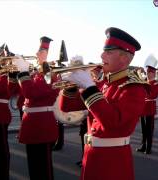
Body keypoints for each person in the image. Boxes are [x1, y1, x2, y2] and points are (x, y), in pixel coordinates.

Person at [58, 27, 149, 180]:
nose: (101, 55)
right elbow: (66, 107)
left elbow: (113, 122)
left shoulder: (134, 88)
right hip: (91, 156)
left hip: (112, 163)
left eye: (109, 52)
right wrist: (73, 84)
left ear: (124, 58)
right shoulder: (102, 84)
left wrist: (88, 87)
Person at [11, 36, 59, 180]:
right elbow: (17, 92)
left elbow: (30, 93)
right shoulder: (36, 74)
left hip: (42, 127)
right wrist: (16, 73)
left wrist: (24, 72)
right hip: (32, 126)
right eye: (39, 50)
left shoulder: (52, 74)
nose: (38, 54)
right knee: (34, 168)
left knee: (43, 170)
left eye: (42, 51)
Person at [136, 64, 158, 154]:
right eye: (147, 72)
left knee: (149, 130)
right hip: (143, 108)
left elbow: (152, 95)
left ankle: (148, 147)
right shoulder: (144, 83)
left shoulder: (157, 84)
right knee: (143, 130)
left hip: (150, 109)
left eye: (149, 73)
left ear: (153, 73)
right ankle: (143, 146)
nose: (147, 74)